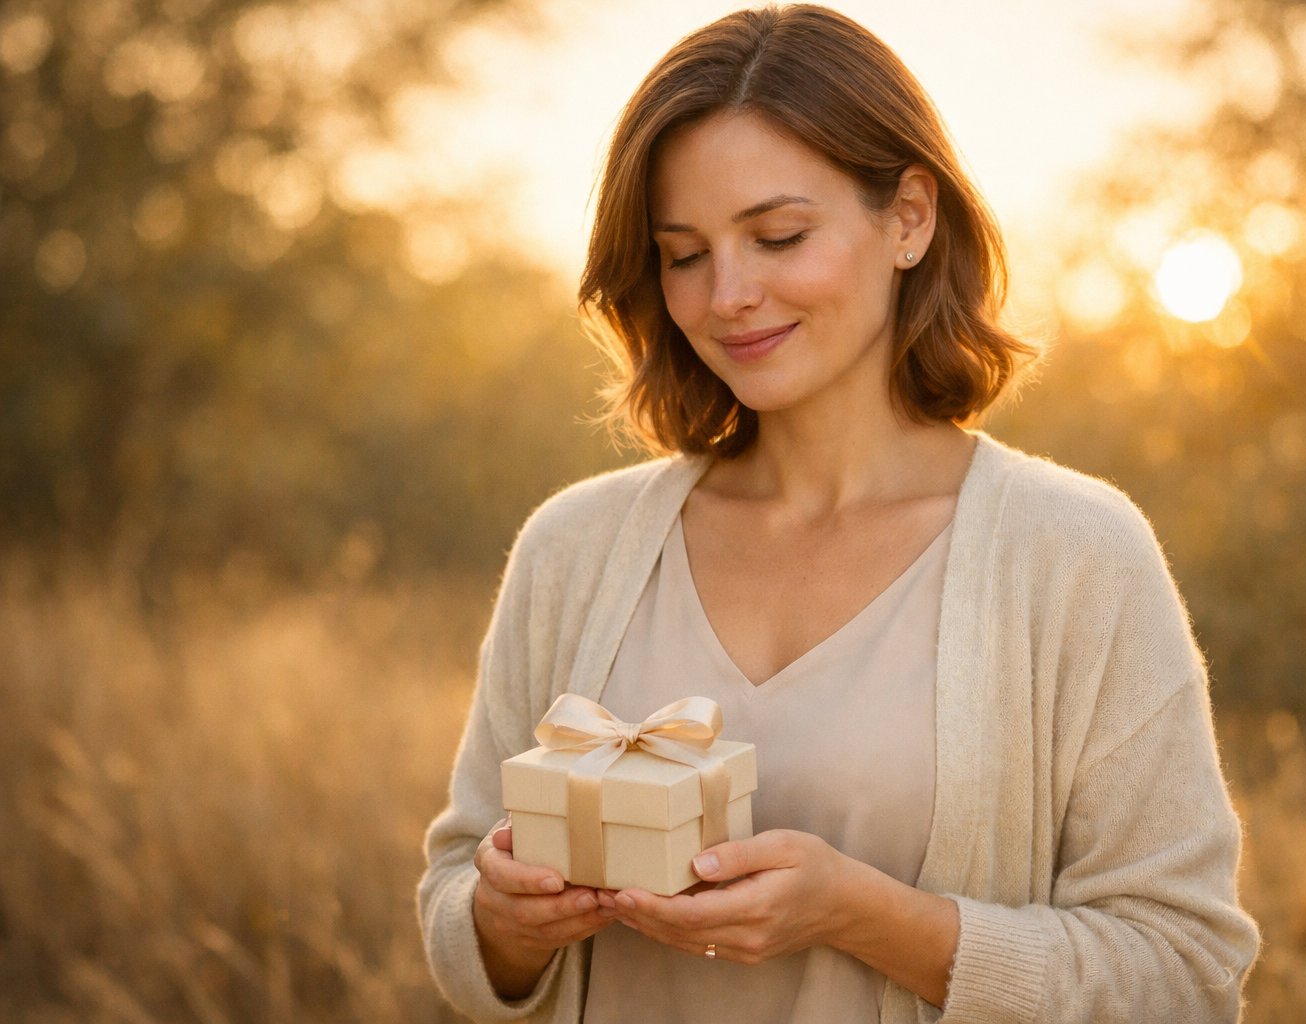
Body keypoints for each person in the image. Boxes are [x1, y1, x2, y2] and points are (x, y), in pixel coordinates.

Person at [417, 4, 1260, 1022]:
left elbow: (1185, 974)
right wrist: (506, 923)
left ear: (909, 217)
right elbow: (459, 908)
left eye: (779, 234)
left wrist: (865, 916)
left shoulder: (1075, 556)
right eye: (683, 254)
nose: (728, 293)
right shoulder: (573, 550)